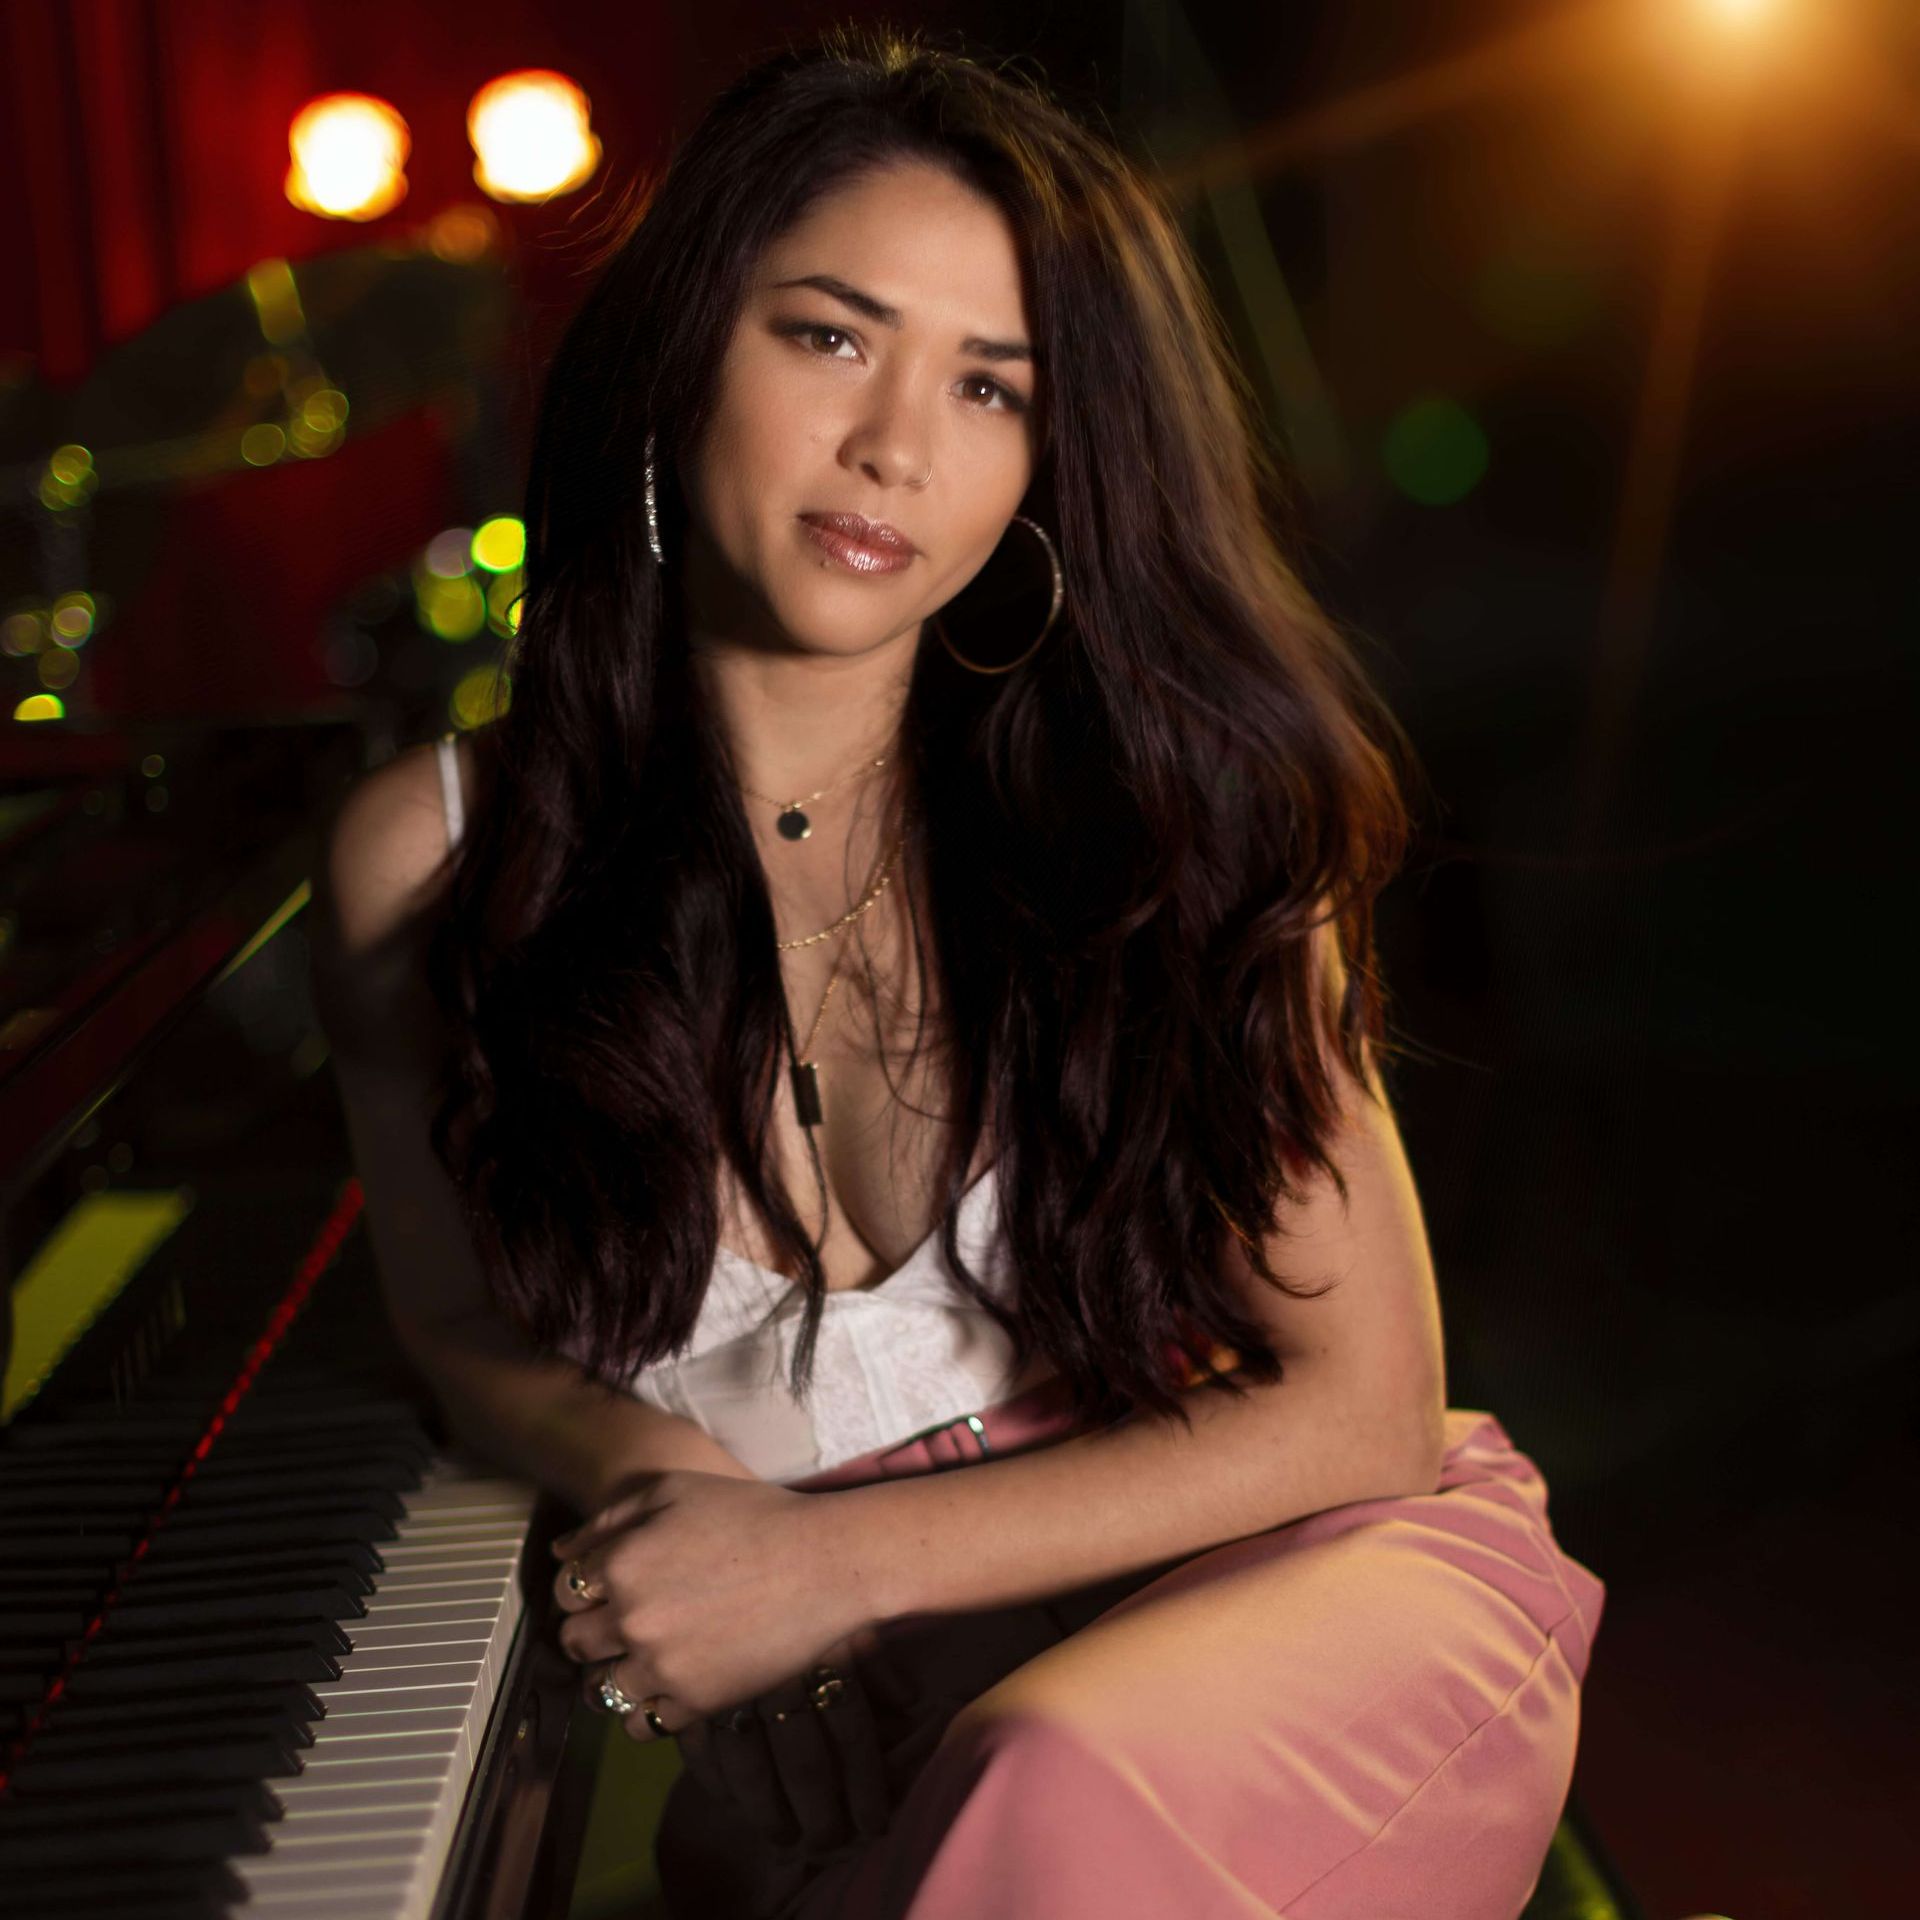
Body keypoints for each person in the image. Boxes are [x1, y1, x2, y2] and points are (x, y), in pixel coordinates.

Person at [309, 23, 1606, 1920]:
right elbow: (452, 1317)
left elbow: (1366, 1408)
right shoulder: (431, 857)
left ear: (1049, 461)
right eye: (829, 338)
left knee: (1050, 1778)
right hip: (877, 1707)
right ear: (683, 346)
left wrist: (829, 1567)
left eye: (991, 386)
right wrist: (671, 1481)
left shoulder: (1170, 816)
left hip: (1303, 1593)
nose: (897, 447)